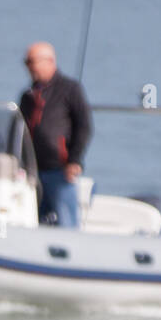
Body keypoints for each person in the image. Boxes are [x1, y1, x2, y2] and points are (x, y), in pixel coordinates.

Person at [19, 42, 93, 228]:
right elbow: (21, 128)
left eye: (32, 62)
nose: (29, 67)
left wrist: (75, 160)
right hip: (33, 170)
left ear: (49, 61)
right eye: (26, 62)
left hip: (60, 169)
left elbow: (84, 126)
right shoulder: (28, 95)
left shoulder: (69, 89)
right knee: (35, 218)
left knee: (65, 219)